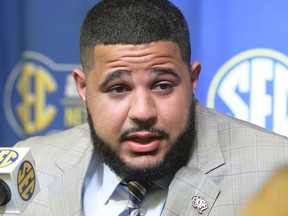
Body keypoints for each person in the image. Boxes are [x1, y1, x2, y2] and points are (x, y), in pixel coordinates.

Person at [2, 0, 288, 215]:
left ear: (192, 80)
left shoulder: (276, 172)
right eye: (118, 89)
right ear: (83, 88)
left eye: (162, 85)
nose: (142, 112)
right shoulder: (35, 166)